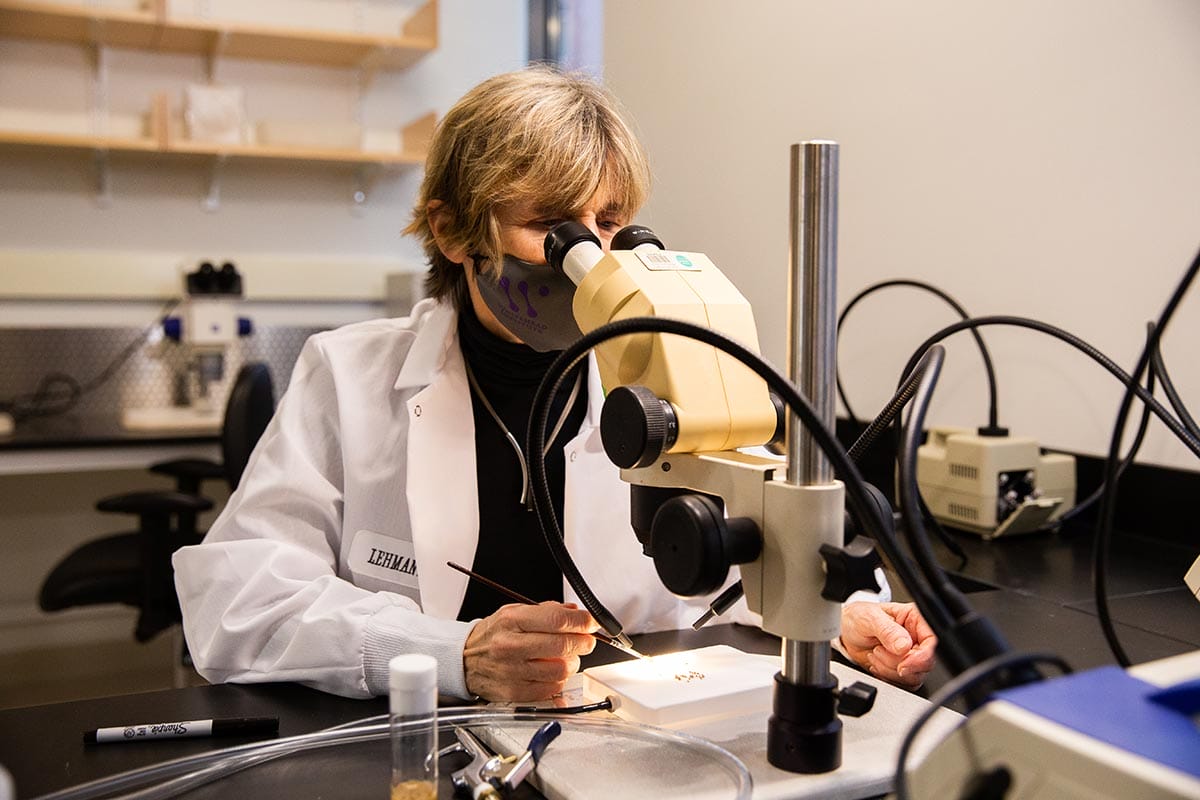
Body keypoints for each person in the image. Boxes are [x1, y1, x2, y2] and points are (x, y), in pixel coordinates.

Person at [173, 66, 937, 703]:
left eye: (609, 226)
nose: (591, 263)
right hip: (410, 738)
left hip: (614, 731)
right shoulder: (346, 375)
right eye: (554, 228)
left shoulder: (661, 369)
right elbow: (241, 601)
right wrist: (454, 652)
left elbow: (727, 567)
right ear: (451, 230)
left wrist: (834, 615)